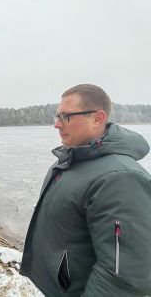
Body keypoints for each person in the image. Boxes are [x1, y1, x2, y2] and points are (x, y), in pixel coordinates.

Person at [20, 84, 151, 296]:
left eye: (65, 117)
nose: (56, 124)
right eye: (57, 116)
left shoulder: (120, 179)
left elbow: (123, 278)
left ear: (98, 118)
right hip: (60, 286)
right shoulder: (71, 159)